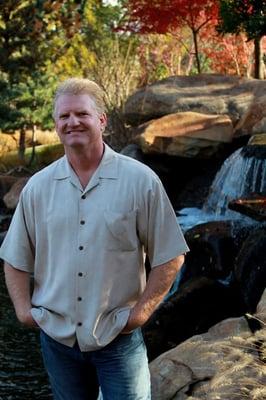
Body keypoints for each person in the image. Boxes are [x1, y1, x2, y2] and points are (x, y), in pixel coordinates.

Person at [0, 78, 189, 400]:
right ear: (56, 125)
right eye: (64, 116)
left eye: (82, 114)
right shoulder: (37, 188)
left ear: (101, 120)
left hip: (118, 339)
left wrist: (140, 314)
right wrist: (23, 310)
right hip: (57, 340)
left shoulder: (141, 181)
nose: (72, 122)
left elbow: (171, 255)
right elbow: (15, 257)